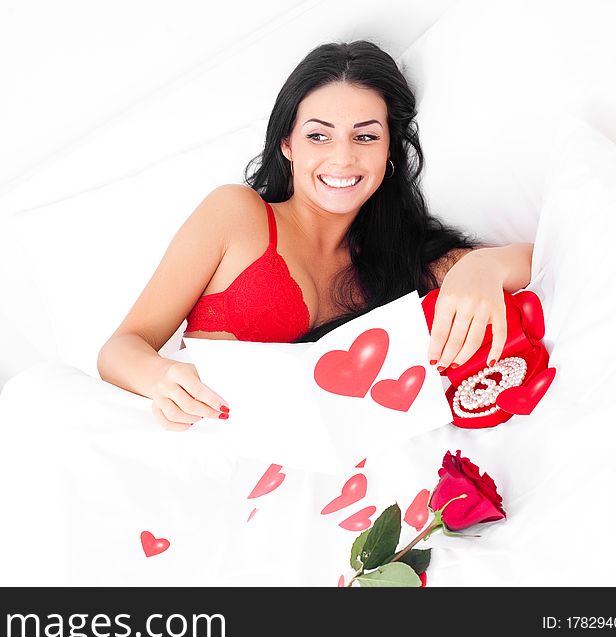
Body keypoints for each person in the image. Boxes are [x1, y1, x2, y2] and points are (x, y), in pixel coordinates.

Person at [97, 40, 533, 431]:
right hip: (199, 446)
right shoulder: (235, 215)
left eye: (365, 136)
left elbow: (544, 259)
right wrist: (161, 380)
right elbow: (120, 348)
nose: (342, 158)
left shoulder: (404, 264)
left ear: (388, 152)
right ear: (288, 145)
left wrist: (483, 265)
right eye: (319, 136)